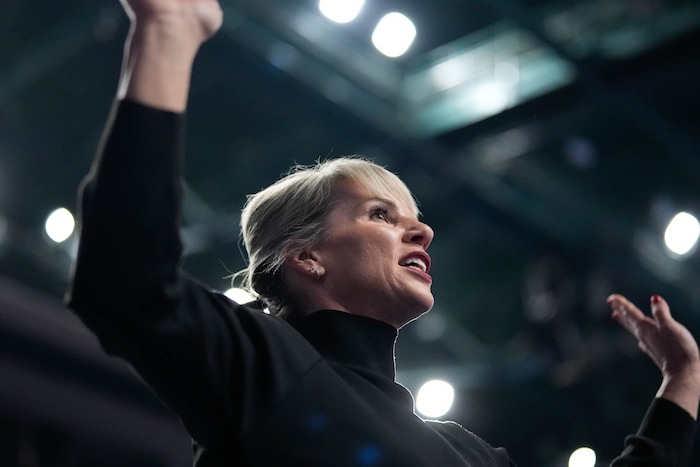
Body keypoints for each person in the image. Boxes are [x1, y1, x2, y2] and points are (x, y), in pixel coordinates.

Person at [66, 0, 700, 465]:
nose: (422, 231)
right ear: (306, 256)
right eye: (381, 215)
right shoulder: (267, 367)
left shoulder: (464, 453)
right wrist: (167, 34)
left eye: (413, 217)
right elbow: (125, 280)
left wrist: (681, 380)